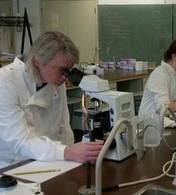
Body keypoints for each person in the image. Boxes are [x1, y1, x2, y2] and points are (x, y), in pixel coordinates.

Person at [0, 31, 103, 169]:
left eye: (69, 71)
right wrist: (68, 152)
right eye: (62, 70)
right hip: (12, 166)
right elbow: (20, 141)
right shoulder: (6, 83)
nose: (66, 77)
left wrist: (71, 162)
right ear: (37, 61)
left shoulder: (55, 82)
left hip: (50, 160)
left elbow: (64, 128)